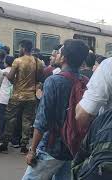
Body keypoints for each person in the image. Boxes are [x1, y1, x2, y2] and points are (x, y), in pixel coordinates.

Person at [22, 39, 89, 180]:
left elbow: (42, 120)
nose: (56, 55)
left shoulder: (54, 81)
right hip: (73, 146)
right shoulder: (85, 81)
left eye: (58, 52)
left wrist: (32, 150)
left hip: (52, 147)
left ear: (64, 57)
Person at [0, 40, 43, 154]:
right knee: (27, 121)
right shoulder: (38, 62)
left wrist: (15, 81)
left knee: (10, 119)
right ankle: (24, 146)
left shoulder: (17, 61)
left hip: (17, 96)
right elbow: (39, 78)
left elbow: (10, 76)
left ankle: (4, 144)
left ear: (23, 48)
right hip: (31, 97)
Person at [0, 57, 14, 151]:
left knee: (2, 119)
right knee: (11, 119)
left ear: (6, 63)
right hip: (12, 97)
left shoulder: (2, 71)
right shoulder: (16, 71)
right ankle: (10, 137)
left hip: (2, 97)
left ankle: (1, 137)